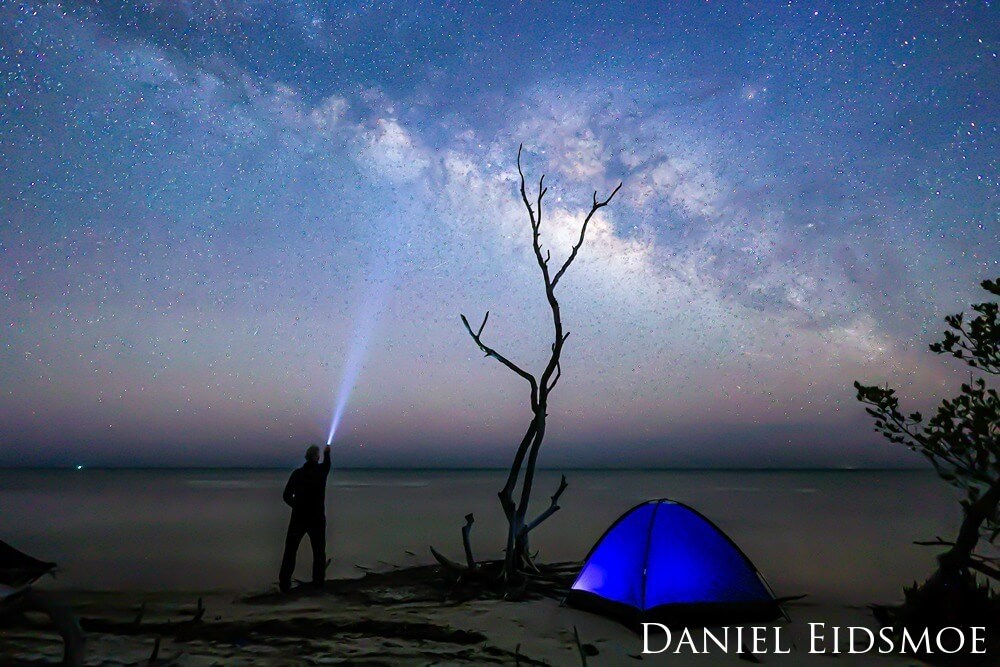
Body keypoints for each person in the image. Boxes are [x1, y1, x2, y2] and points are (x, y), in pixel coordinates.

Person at [278, 443, 331, 592]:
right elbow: (327, 465)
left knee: (290, 550)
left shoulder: (297, 473)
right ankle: (318, 582)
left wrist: (297, 506)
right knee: (319, 551)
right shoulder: (321, 471)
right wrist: (327, 453)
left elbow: (286, 495)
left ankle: (284, 583)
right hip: (316, 519)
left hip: (299, 518)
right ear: (316, 457)